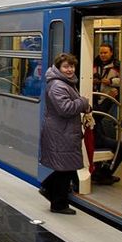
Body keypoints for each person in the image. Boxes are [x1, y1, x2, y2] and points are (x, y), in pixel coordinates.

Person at [39, 53, 92, 215]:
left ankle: (49, 189)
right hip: (61, 132)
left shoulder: (65, 83)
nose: (70, 70)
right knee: (66, 168)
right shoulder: (58, 85)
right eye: (66, 67)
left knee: (66, 167)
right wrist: (83, 102)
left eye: (72, 66)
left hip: (64, 131)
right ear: (59, 68)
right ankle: (58, 204)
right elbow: (65, 108)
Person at [92, 43, 122, 114]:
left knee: (108, 121)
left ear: (111, 53)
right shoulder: (93, 63)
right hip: (95, 97)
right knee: (95, 120)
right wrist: (92, 81)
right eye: (101, 53)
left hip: (111, 98)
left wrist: (111, 81)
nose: (102, 55)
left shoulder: (118, 65)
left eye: (105, 53)